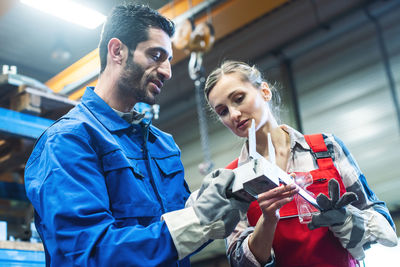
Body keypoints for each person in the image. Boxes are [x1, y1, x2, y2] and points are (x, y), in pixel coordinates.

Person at [24, 5, 250, 266]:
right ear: (117, 51)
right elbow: (87, 253)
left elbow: (178, 234)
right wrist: (198, 221)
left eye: (167, 59)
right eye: (156, 55)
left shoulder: (162, 144)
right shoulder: (68, 140)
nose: (167, 70)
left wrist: (214, 203)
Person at [204, 60, 398, 267]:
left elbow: (384, 225)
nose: (233, 114)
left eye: (239, 98)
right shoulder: (231, 179)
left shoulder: (327, 148)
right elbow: (239, 262)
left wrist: (346, 220)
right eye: (223, 111)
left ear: (264, 92)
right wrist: (267, 220)